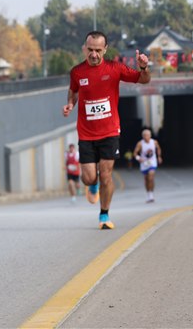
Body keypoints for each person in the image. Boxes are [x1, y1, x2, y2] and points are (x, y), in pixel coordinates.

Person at [62, 31, 151, 229]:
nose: (93, 54)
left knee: (106, 174)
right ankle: (93, 185)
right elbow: (73, 91)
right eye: (90, 50)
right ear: (85, 48)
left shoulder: (115, 68)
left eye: (98, 50)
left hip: (110, 131)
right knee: (88, 178)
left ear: (105, 49)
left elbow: (144, 79)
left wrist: (144, 67)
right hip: (86, 133)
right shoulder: (77, 72)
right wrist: (70, 104)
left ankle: (104, 215)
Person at [133, 128, 163, 203]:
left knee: (151, 177)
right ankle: (148, 194)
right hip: (144, 163)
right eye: (145, 135)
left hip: (152, 161)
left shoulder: (154, 142)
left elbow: (158, 149)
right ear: (143, 136)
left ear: (150, 135)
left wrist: (159, 157)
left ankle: (151, 194)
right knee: (146, 179)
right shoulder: (140, 143)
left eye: (148, 135)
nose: (146, 137)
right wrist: (138, 158)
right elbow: (135, 153)